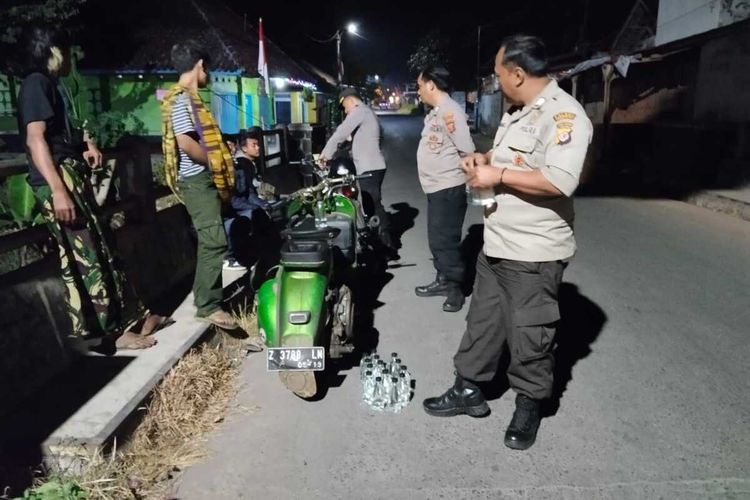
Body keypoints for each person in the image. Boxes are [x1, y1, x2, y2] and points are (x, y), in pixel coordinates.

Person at [423, 35, 593, 451]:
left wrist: (496, 177)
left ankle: (530, 403)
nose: (497, 82)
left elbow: (559, 180)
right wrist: (484, 161)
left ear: (518, 73)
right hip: (497, 243)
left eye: (499, 75)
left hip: (533, 253)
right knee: (482, 322)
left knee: (529, 335)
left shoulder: (565, 116)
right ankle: (468, 389)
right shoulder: (518, 113)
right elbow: (512, 163)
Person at [15, 26, 164, 350]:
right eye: (67, 52)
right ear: (52, 51)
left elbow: (60, 134)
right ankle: (108, 334)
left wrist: (87, 144)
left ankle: (135, 317)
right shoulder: (35, 84)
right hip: (58, 181)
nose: (71, 58)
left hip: (70, 174)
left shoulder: (52, 86)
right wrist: (57, 190)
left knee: (103, 246)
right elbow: (35, 139)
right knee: (87, 257)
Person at [160, 41, 237, 329]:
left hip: (201, 178)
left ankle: (208, 299)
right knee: (214, 240)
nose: (210, 74)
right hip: (196, 179)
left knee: (213, 239)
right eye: (209, 68)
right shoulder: (181, 99)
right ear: (200, 65)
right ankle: (207, 305)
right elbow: (186, 143)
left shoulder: (189, 99)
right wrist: (217, 160)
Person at [414, 66, 476, 312]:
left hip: (449, 189)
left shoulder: (451, 113)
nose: (418, 92)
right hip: (436, 188)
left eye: (419, 86)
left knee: (445, 241)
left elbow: (467, 150)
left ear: (431, 85)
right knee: (436, 239)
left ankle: (455, 289)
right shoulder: (436, 112)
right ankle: (442, 280)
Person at [319, 88, 394, 252]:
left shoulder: (360, 111)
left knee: (373, 204)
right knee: (369, 205)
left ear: (350, 100)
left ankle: (387, 244)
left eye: (345, 107)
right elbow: (347, 139)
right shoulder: (366, 113)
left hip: (370, 167)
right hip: (371, 166)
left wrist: (324, 155)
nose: (346, 111)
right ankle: (380, 241)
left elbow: (341, 132)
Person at [223, 126, 271, 270]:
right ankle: (230, 258)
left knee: (261, 214)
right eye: (227, 146)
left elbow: (248, 192)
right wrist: (255, 207)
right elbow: (233, 199)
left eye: (232, 146)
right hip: (228, 211)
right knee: (246, 219)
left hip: (240, 205)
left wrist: (263, 205)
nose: (231, 149)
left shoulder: (238, 166)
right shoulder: (226, 167)